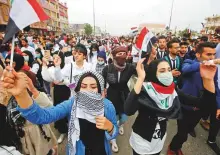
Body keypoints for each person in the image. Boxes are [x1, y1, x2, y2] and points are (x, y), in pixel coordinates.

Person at [2, 69, 118, 155]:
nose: (88, 90)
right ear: (78, 90)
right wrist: (22, 94)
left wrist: (110, 127)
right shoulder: (71, 104)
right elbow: (43, 116)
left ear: (100, 90)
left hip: (101, 150)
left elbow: (114, 131)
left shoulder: (107, 106)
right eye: (83, 86)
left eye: (93, 87)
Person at [167, 42, 220, 155]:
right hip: (185, 107)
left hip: (200, 109)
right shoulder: (189, 62)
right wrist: (203, 64)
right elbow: (186, 69)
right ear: (198, 55)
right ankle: (172, 148)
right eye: (208, 54)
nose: (212, 58)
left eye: (214, 55)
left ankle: (177, 145)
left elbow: (215, 87)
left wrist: (218, 106)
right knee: (182, 134)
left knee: (188, 129)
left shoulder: (213, 69)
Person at [125, 58, 181, 155]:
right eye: (162, 71)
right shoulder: (145, 89)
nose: (167, 73)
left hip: (158, 139)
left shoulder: (172, 90)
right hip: (142, 139)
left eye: (169, 70)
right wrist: (141, 79)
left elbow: (197, 101)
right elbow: (128, 110)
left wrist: (208, 82)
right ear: (153, 73)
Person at [102, 46, 136, 152]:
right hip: (112, 95)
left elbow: (142, 73)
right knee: (113, 118)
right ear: (114, 56)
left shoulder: (130, 67)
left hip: (125, 95)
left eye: (124, 54)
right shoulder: (107, 68)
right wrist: (103, 92)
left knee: (124, 117)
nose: (122, 56)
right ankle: (113, 140)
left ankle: (120, 126)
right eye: (119, 54)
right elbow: (102, 82)